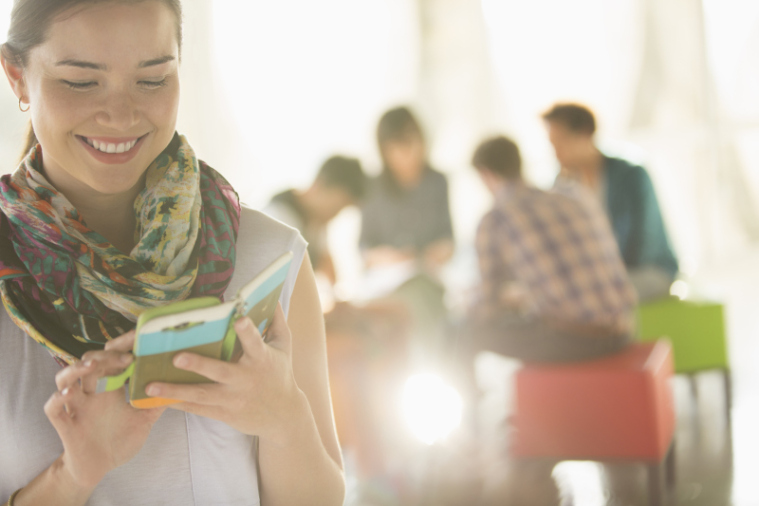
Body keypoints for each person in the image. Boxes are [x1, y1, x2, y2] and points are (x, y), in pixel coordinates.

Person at [0, 1, 343, 505]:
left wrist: (284, 417)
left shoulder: (269, 257)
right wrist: (74, 473)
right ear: (18, 77)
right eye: (80, 81)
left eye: (153, 79)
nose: (121, 114)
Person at [466, 135, 637, 363]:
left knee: (464, 332)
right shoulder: (572, 197)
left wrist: (469, 302)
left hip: (574, 340)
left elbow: (488, 306)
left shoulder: (496, 218)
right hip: (624, 331)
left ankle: (470, 397)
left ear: (485, 174)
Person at [543, 103, 679, 301]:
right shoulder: (561, 186)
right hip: (598, 277)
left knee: (593, 296)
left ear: (585, 134)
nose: (556, 154)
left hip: (647, 271)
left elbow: (642, 242)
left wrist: (597, 276)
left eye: (561, 143)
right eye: (552, 145)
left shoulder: (632, 176)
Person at [360, 106, 454, 271]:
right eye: (396, 147)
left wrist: (431, 256)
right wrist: (391, 258)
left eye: (410, 143)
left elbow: (448, 238)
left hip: (427, 277)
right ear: (384, 151)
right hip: (385, 280)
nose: (406, 153)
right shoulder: (372, 187)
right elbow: (364, 248)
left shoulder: (438, 182)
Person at [265, 155, 367, 285]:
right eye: (335, 208)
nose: (334, 216)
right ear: (318, 185)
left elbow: (326, 266)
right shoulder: (278, 219)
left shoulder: (315, 220)